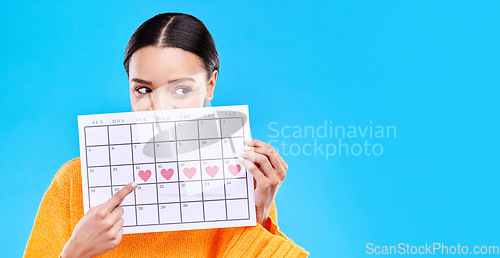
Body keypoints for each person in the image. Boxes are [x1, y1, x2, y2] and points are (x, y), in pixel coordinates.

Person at [23, 12, 309, 257]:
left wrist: (258, 212)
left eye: (181, 90)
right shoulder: (74, 182)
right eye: (143, 90)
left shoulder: (243, 181)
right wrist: (73, 253)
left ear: (210, 84)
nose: (160, 109)